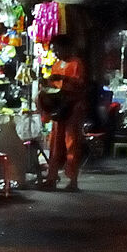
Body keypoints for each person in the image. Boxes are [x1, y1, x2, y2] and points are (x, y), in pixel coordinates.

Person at [41, 34, 89, 191]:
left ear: (66, 48)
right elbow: (53, 85)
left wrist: (63, 78)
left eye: (57, 49)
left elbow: (80, 83)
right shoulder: (56, 64)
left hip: (73, 106)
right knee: (54, 143)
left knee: (71, 143)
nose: (56, 53)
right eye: (54, 50)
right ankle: (51, 177)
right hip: (59, 106)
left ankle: (73, 181)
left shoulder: (76, 63)